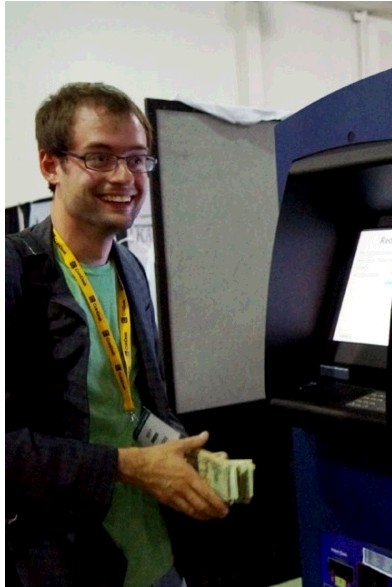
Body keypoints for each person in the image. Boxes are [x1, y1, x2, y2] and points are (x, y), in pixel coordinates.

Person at [5, 82, 230, 587]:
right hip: (67, 563)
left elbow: (135, 404)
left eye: (137, 159)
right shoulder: (15, 271)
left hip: (156, 554)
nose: (125, 177)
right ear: (51, 166)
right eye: (100, 158)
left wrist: (181, 452)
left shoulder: (130, 269)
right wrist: (124, 467)